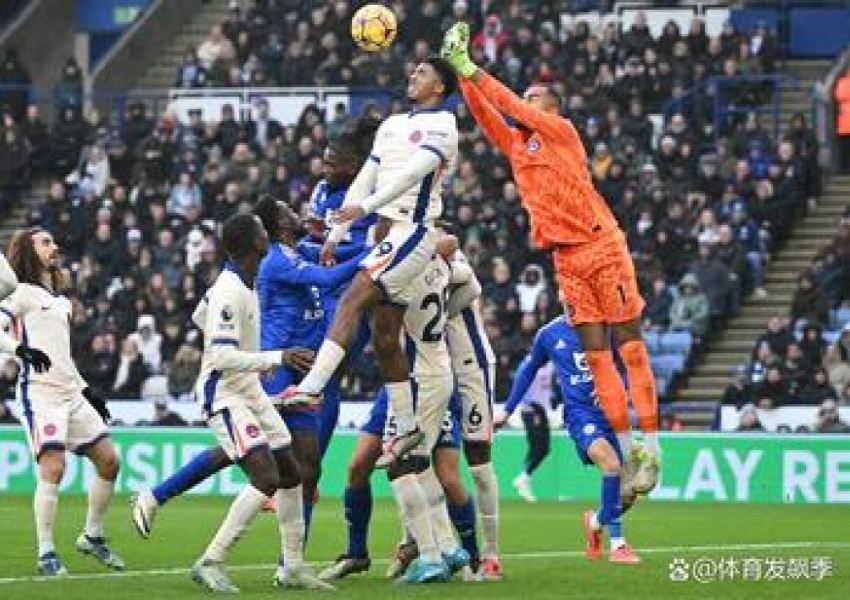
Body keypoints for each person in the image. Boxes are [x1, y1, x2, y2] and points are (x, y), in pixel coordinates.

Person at [442, 23, 660, 492]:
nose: (525, 100)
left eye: (533, 96)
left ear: (552, 108)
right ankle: (630, 456)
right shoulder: (519, 147)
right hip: (566, 259)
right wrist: (461, 76)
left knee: (630, 348)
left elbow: (509, 105)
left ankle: (654, 448)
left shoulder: (561, 132)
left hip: (602, 246)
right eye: (525, 95)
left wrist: (471, 67)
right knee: (598, 360)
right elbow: (487, 114)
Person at [283, 56, 460, 467]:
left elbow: (411, 175)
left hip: (412, 230)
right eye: (413, 70)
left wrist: (364, 208)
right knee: (384, 340)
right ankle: (407, 426)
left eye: (423, 73)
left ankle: (312, 386)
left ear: (439, 87)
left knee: (354, 297)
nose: (413, 75)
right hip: (385, 231)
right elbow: (368, 174)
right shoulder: (392, 125)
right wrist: (337, 232)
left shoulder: (444, 124)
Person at [178, 214, 331, 592]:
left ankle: (293, 568)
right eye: (262, 231)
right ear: (252, 243)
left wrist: (249, 355)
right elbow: (221, 355)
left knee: (291, 473)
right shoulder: (230, 290)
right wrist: (273, 358)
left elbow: (200, 314)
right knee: (266, 477)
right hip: (224, 394)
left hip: (249, 391)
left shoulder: (247, 283)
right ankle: (210, 561)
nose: (268, 234)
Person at [0, 228, 123, 576]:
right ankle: (46, 553)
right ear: (28, 251)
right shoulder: (20, 293)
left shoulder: (61, 301)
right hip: (40, 393)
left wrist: (88, 392)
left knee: (110, 461)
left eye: (54, 242)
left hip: (71, 392)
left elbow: (61, 356)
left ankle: (92, 535)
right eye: (45, 242)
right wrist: (19, 350)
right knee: (54, 467)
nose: (54, 247)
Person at [494, 315, 640, 564]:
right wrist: (507, 410)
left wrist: (624, 391)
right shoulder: (549, 334)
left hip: (612, 414)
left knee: (628, 490)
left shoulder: (605, 326)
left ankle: (595, 523)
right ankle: (618, 545)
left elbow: (622, 364)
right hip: (581, 414)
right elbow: (528, 370)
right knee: (611, 465)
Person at [503, 358, 555, 504]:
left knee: (541, 449)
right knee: (539, 448)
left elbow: (550, 385)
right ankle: (524, 478)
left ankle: (524, 477)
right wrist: (529, 401)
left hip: (544, 410)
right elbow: (520, 384)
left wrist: (553, 398)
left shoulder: (551, 363)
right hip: (531, 410)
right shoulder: (527, 362)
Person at [834, 65, 850, 174]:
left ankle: (844, 168)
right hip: (844, 122)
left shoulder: (841, 82)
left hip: (843, 122)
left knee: (844, 148)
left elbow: (838, 96)